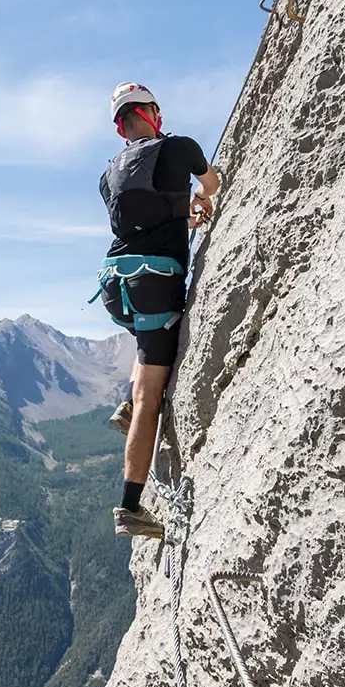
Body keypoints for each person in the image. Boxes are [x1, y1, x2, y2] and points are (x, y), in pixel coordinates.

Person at [94, 82, 219, 540]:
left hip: (116, 283)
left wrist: (186, 217)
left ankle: (127, 405)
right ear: (151, 113)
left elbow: (147, 223)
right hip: (155, 282)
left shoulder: (109, 174)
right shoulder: (179, 147)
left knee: (146, 344)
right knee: (152, 401)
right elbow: (213, 182)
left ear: (120, 127)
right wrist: (202, 197)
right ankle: (130, 507)